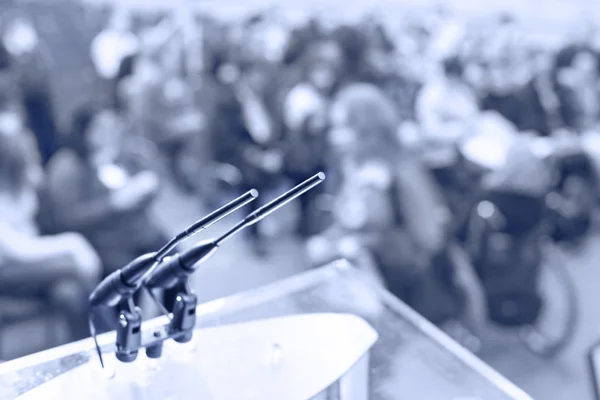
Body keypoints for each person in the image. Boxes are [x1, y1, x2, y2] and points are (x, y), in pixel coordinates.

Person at [0, 120, 101, 341]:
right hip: (7, 270)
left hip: (32, 265)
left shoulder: (26, 179)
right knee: (74, 266)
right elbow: (15, 249)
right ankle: (103, 340)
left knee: (69, 292)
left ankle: (92, 345)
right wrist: (71, 244)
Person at [45, 106, 168, 278]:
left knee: (176, 262)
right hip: (105, 243)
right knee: (129, 276)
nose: (109, 133)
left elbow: (151, 183)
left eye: (113, 127)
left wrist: (147, 185)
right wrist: (113, 204)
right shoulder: (67, 165)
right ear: (84, 130)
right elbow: (67, 218)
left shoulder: (122, 154)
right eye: (101, 127)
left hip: (141, 232)